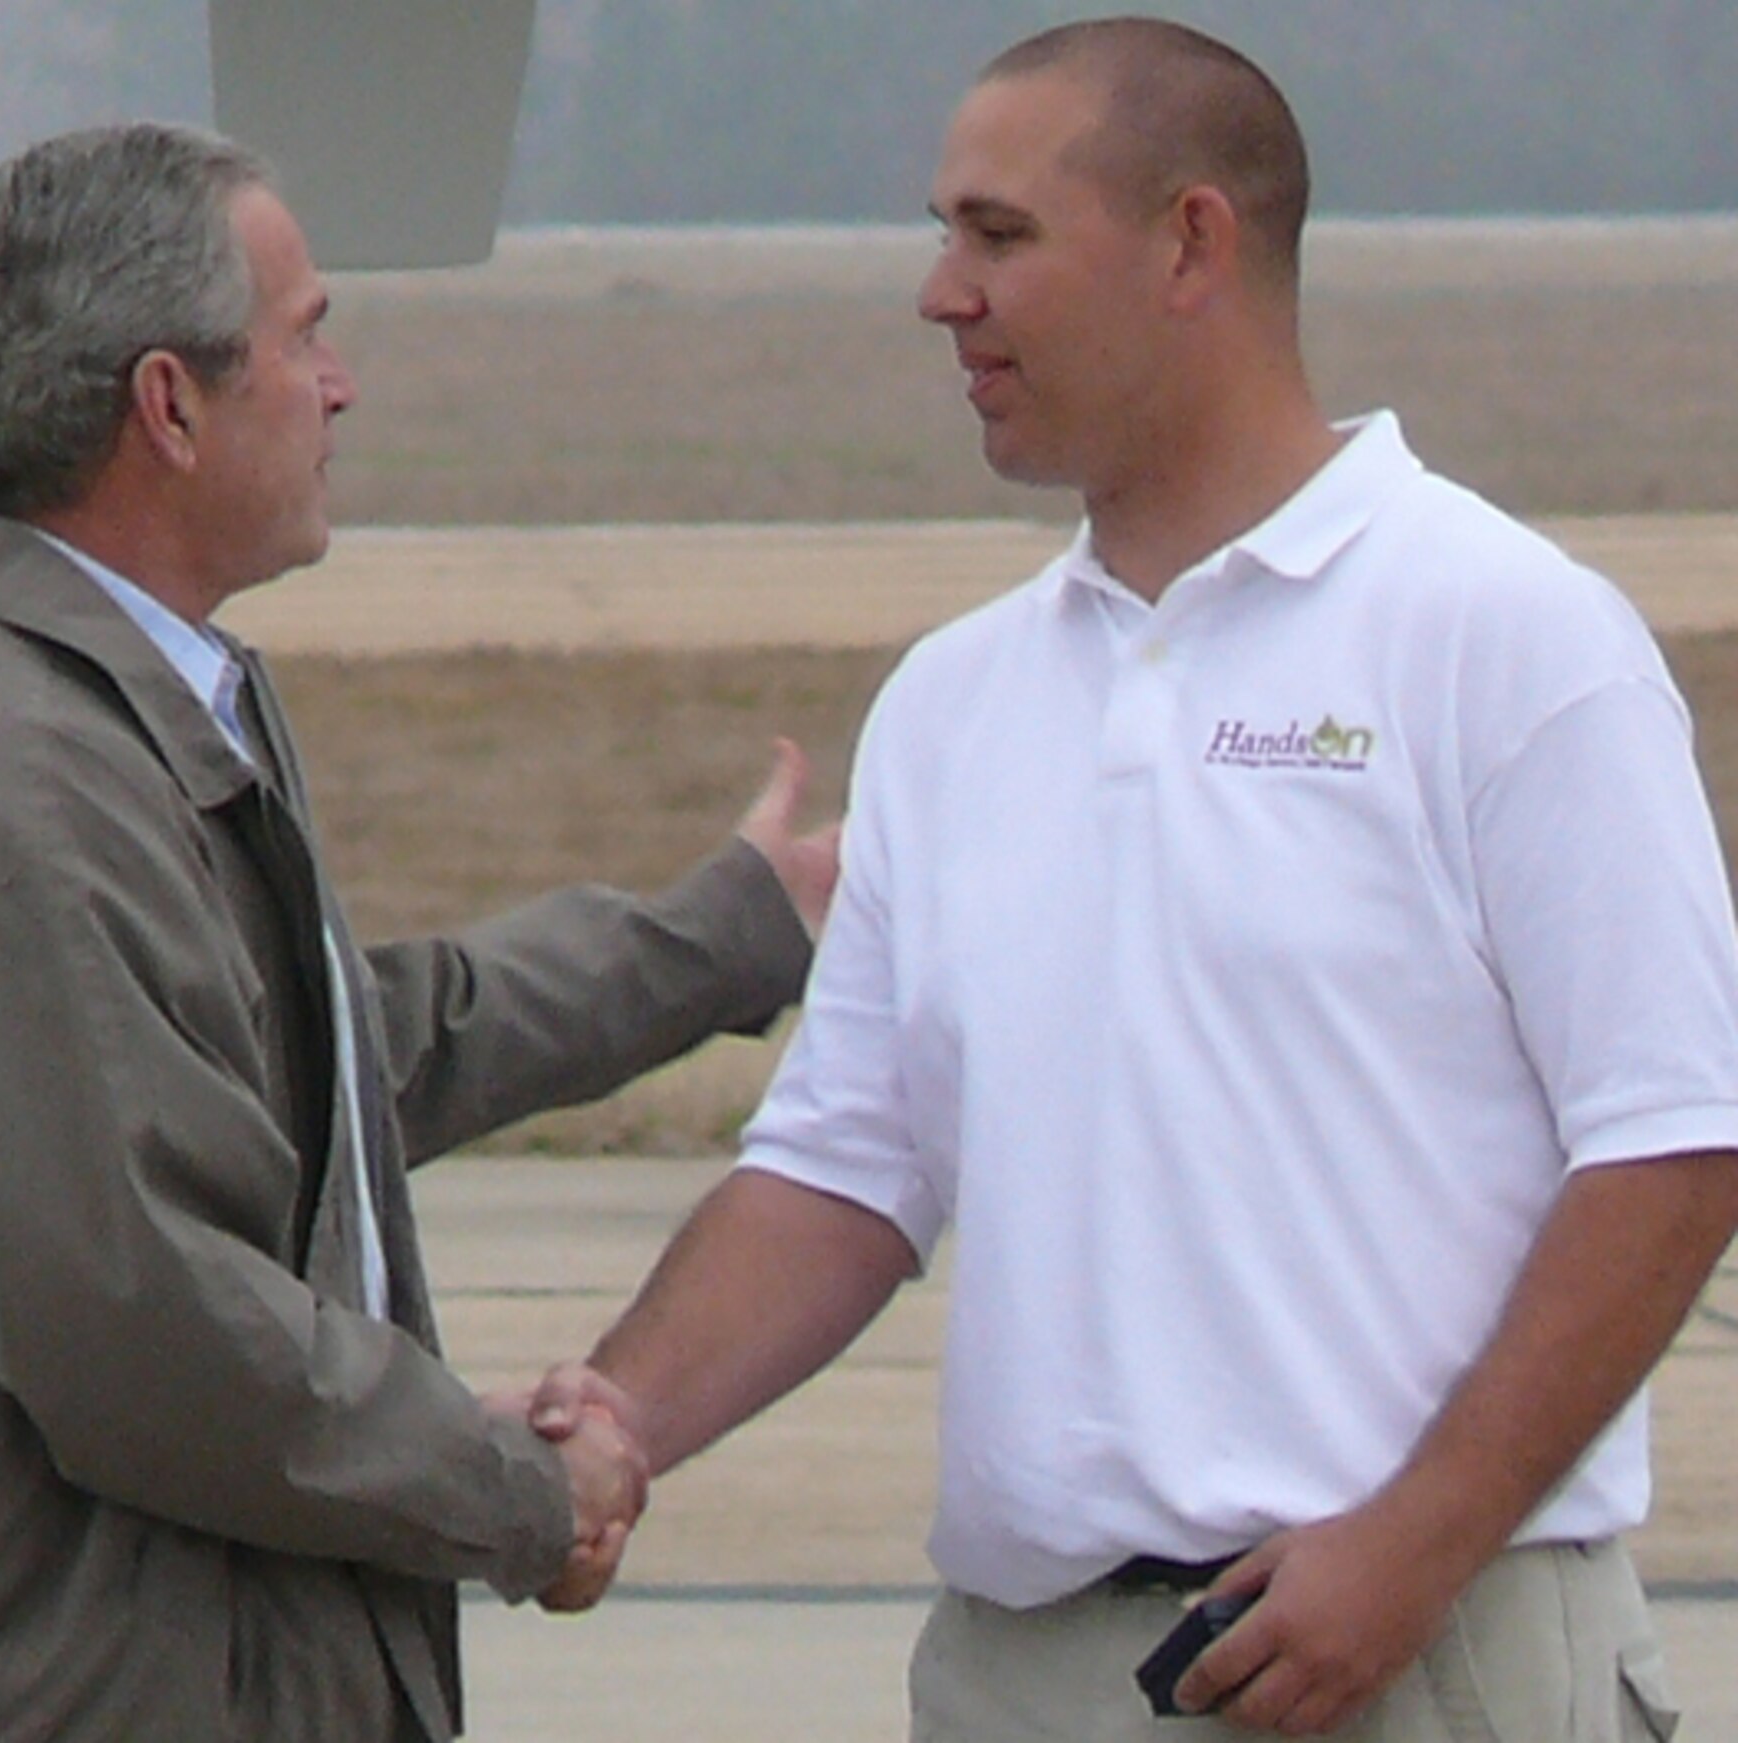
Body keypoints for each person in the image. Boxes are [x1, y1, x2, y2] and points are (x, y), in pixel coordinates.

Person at [525, 17, 1738, 1739]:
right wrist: (621, 1426)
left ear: (1192, 242)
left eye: (998, 235)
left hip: (1419, 1654)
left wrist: (1409, 1552)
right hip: (1028, 1672)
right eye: (944, 235)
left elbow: (1674, 1145)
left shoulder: (1509, 640)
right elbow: (847, 1168)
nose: (940, 293)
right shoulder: (955, 703)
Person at [0, 123, 835, 1743]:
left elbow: (330, 1054)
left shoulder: (118, 712)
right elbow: (161, 1342)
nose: (341, 386)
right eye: (306, 335)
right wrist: (519, 1491)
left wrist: (719, 941)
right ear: (168, 406)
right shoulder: (21, 789)